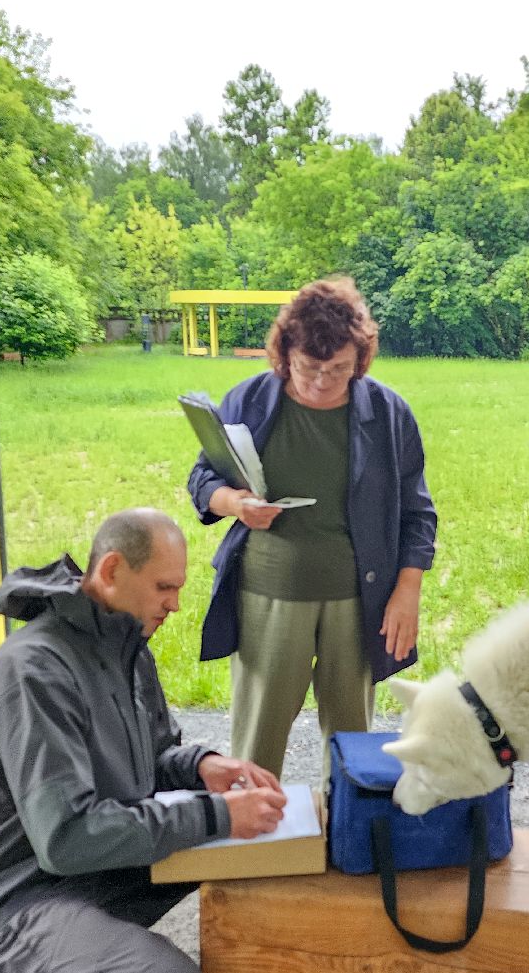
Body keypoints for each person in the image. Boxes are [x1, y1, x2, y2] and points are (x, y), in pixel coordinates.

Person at [0, 508, 285, 973]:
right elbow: (68, 836)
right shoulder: (35, 670)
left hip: (85, 868)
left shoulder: (124, 643)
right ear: (113, 570)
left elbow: (151, 758)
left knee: (246, 852)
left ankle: (74, 966)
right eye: (164, 587)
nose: (175, 603)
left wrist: (202, 766)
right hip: (12, 897)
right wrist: (218, 816)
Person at [187, 277, 437, 780]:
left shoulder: (389, 413)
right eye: (308, 368)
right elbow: (201, 478)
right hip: (268, 595)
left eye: (339, 369)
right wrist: (235, 503)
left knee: (352, 744)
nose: (323, 382)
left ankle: (347, 839)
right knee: (258, 738)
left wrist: (407, 590)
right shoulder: (250, 401)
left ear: (360, 359)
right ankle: (254, 842)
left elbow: (418, 513)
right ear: (284, 355)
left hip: (358, 598)